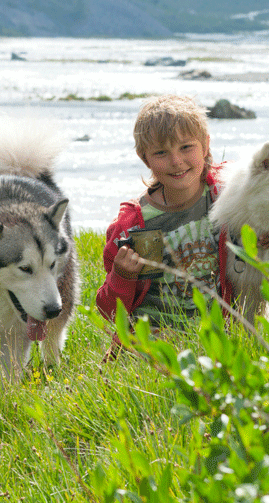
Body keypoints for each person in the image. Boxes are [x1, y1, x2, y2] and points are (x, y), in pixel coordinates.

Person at [96, 95, 233, 339]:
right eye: (161, 152)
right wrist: (122, 276)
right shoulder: (133, 225)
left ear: (206, 145)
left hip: (216, 341)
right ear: (144, 157)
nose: (176, 161)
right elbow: (108, 312)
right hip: (152, 347)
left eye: (186, 147)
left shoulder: (226, 193)